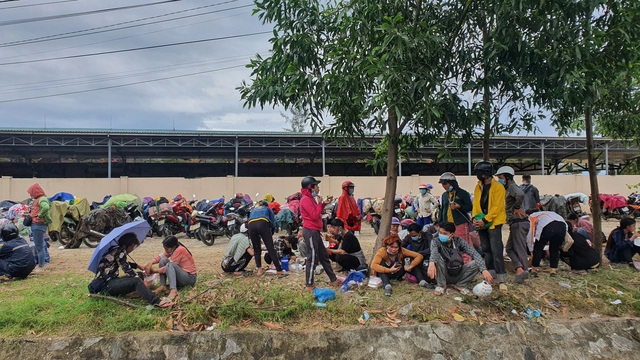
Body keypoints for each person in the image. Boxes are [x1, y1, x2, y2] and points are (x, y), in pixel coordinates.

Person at [93, 233, 173, 308]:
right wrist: (144, 282)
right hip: (105, 284)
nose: (132, 249)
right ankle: (157, 302)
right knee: (137, 281)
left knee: (140, 275)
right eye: (132, 247)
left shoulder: (116, 250)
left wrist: (138, 266)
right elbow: (128, 270)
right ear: (126, 245)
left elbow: (124, 263)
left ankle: (132, 293)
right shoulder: (120, 252)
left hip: (111, 280)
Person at [427, 222, 493, 296]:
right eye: (440, 232)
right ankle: (441, 285)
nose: (441, 235)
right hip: (443, 273)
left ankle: (461, 284)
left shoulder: (459, 241)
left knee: (476, 262)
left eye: (444, 233)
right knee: (437, 258)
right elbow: (434, 253)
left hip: (458, 272)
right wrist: (432, 263)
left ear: (451, 235)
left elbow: (474, 253)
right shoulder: (435, 241)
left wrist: (484, 269)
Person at [472, 161, 507, 291]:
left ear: (486, 173)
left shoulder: (498, 187)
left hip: (494, 223)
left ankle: (501, 278)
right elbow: (475, 203)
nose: (477, 175)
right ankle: (491, 274)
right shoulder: (478, 186)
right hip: (481, 222)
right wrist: (475, 218)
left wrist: (485, 220)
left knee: (496, 250)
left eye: (479, 173)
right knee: (486, 249)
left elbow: (497, 207)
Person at [300, 176, 340, 290]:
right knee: (312, 257)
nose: (318, 188)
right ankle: (309, 284)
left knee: (323, 255)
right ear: (311, 188)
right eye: (316, 186)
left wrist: (322, 204)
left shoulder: (311, 199)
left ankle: (333, 279)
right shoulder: (306, 200)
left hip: (315, 231)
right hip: (310, 231)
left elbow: (316, 212)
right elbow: (314, 215)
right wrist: (320, 203)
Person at [495, 166, 530, 284]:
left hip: (519, 222)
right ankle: (519, 268)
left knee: (520, 249)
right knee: (509, 248)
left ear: (507, 177)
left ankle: (523, 274)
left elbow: (520, 194)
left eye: (500, 178)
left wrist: (516, 207)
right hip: (514, 222)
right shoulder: (508, 188)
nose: (499, 180)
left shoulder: (512, 187)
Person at [144, 236, 197, 301]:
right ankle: (163, 285)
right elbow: (161, 256)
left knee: (170, 264)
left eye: (166, 249)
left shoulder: (179, 250)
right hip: (182, 276)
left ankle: (173, 290)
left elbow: (168, 267)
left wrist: (154, 271)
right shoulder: (173, 248)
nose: (166, 251)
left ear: (173, 247)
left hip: (189, 278)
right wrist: (150, 263)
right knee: (163, 260)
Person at [247, 200, 285, 277]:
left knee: (257, 248)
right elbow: (273, 222)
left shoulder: (254, 209)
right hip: (262, 223)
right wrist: (271, 232)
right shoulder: (268, 209)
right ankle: (279, 270)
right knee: (270, 248)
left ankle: (259, 270)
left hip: (251, 225)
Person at [526, 211, 568, 277]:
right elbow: (565, 226)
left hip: (548, 226)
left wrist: (531, 250)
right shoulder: (548, 213)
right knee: (555, 249)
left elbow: (530, 235)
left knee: (538, 247)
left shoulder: (531, 217)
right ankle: (553, 271)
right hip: (563, 227)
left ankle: (534, 270)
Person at [438, 172, 473, 243]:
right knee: (449, 243)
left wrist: (459, 207)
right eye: (442, 184)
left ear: (452, 183)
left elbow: (469, 207)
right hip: (447, 225)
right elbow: (442, 210)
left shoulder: (462, 193)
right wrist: (440, 223)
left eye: (445, 184)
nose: (443, 186)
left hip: (460, 223)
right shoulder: (444, 195)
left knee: (462, 244)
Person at [27, 183, 51, 272]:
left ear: (35, 192)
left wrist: (39, 215)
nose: (30, 195)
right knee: (40, 245)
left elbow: (46, 207)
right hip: (38, 225)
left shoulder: (41, 199)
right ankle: (42, 263)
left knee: (39, 247)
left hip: (38, 225)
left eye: (31, 192)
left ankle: (41, 266)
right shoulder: (40, 199)